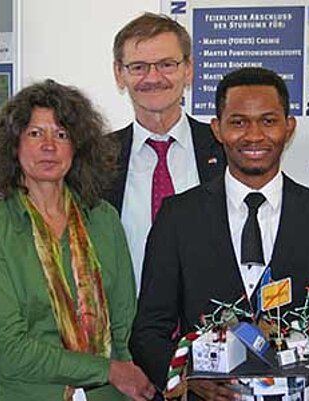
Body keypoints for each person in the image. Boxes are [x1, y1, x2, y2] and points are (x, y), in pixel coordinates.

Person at [130, 67, 309, 400]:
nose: (254, 136)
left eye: (268, 121)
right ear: (217, 129)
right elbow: (148, 333)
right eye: (238, 122)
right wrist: (191, 373)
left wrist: (294, 367)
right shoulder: (178, 217)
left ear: (289, 126)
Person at [0, 80, 155, 401]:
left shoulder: (103, 219)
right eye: (35, 133)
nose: (49, 145)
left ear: (77, 147)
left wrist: (124, 377)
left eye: (62, 134)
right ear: (14, 145)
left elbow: (124, 323)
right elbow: (12, 351)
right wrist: (107, 370)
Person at [107, 12, 227, 293]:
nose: (153, 78)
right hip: (125, 328)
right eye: (138, 67)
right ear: (119, 74)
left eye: (166, 64)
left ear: (189, 70)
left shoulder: (225, 149)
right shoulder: (95, 159)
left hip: (212, 329)